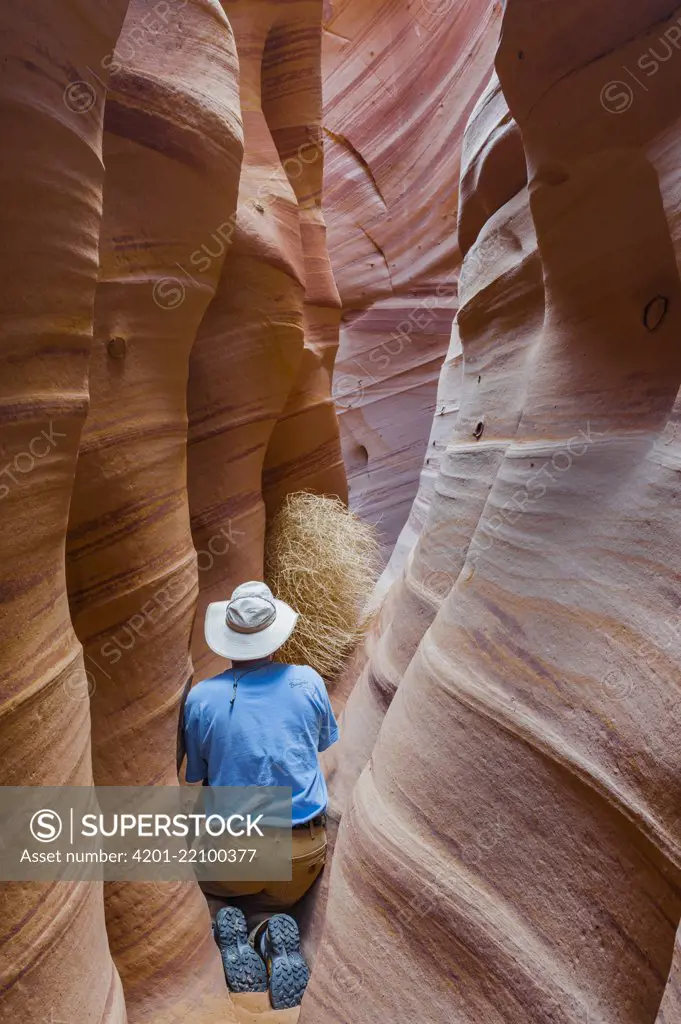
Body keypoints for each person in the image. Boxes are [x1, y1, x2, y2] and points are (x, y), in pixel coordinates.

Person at [182, 580, 339, 1007]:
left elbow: (196, 775)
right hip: (302, 856)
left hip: (236, 857)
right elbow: (322, 744)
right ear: (276, 634)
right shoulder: (307, 681)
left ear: (226, 636)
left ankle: (230, 926)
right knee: (270, 891)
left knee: (196, 879)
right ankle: (268, 932)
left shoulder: (201, 699)